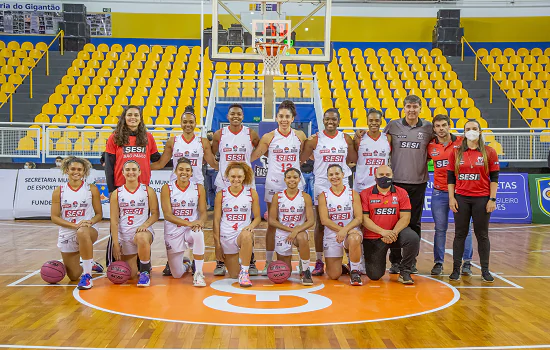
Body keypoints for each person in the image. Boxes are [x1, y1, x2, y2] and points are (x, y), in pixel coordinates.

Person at [251, 100, 307, 275]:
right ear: (276, 117)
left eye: (287, 117)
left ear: (292, 118)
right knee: (272, 225)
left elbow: (303, 155)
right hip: (275, 183)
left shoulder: (300, 136)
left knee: (300, 222)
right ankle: (268, 262)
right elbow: (254, 155)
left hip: (296, 183)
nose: (284, 119)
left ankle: (303, 264)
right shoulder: (269, 137)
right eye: (281, 116)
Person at [300, 108, 357, 276]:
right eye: (327, 119)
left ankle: (349, 261)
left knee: (347, 217)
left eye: (333, 119)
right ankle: (319, 260)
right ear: (323, 120)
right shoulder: (314, 140)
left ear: (339, 121)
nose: (330, 121)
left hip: (342, 181)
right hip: (323, 183)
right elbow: (301, 159)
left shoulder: (345, 138)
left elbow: (352, 159)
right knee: (321, 223)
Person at [104, 105, 161, 266]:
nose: (133, 118)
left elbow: (156, 158)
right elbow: (109, 165)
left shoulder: (148, 137)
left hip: (142, 190)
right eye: (129, 115)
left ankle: (144, 263)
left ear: (141, 118)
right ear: (124, 117)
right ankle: (112, 262)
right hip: (121, 188)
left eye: (136, 115)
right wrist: (111, 189)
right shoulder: (115, 137)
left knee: (142, 228)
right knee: (118, 227)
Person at [382, 95, 433, 274]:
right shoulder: (393, 125)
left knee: (414, 223)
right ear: (403, 108)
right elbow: (378, 140)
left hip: (418, 183)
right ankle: (395, 261)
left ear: (420, 108)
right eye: (408, 107)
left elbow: (442, 141)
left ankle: (411, 262)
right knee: (394, 223)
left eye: (415, 107)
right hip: (396, 183)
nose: (412, 110)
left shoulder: (428, 128)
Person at [211, 104, 260, 276]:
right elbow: (212, 153)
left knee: (247, 217)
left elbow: (259, 149)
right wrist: (220, 167)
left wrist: (246, 162)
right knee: (224, 216)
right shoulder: (219, 134)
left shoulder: (250, 134)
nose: (235, 116)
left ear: (243, 115)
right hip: (225, 180)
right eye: (232, 114)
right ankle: (220, 259)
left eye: (239, 114)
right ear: (228, 115)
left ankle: (250, 260)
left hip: (244, 179)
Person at [447, 120, 499, 283]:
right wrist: (451, 197)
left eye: (474, 129)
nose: (471, 131)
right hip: (461, 198)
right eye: (468, 129)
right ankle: (456, 269)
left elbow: (494, 178)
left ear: (480, 131)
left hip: (482, 199)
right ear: (464, 133)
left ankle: (485, 270)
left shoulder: (489, 152)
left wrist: (492, 198)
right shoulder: (455, 152)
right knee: (460, 234)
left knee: (482, 235)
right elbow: (450, 178)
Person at [428, 114, 474, 276]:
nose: (441, 128)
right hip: (439, 192)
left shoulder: (462, 142)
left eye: (444, 125)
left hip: (460, 192)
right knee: (440, 229)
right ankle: (438, 263)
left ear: (449, 126)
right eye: (438, 126)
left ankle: (466, 263)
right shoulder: (431, 146)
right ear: (434, 129)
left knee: (464, 229)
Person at [360, 165, 419, 284]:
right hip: (375, 236)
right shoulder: (366, 194)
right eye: (381, 175)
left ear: (392, 176)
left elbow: (405, 217)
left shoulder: (401, 192)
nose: (384, 177)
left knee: (413, 238)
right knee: (375, 275)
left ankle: (405, 271)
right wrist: (382, 232)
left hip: (396, 233)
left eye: (388, 175)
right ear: (375, 177)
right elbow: (364, 219)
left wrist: (394, 232)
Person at [50, 156, 103, 290]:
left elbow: (99, 214)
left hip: (88, 230)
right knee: (73, 276)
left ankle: (87, 276)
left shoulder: (91, 189)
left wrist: (89, 222)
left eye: (79, 169)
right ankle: (89, 263)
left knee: (82, 231)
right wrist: (74, 225)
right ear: (66, 170)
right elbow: (54, 217)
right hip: (67, 231)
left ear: (84, 171)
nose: (76, 171)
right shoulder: (59, 191)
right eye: (73, 168)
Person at [110, 160, 159, 287]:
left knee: (142, 237)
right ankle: (142, 264)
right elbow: (114, 220)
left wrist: (145, 225)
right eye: (127, 170)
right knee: (129, 274)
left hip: (142, 231)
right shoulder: (117, 193)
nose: (131, 172)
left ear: (139, 172)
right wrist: (116, 243)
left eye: (133, 170)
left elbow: (155, 214)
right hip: (124, 234)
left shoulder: (148, 191)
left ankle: (145, 271)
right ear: (123, 173)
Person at [160, 158, 207, 287]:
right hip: (173, 229)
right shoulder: (167, 188)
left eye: (187, 170)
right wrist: (189, 223)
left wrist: (200, 222)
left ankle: (198, 272)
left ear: (191, 173)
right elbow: (167, 215)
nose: (184, 172)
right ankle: (187, 264)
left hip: (190, 229)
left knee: (198, 234)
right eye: (181, 169)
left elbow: (203, 212)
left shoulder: (198, 188)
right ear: (175, 171)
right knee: (177, 274)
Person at [213, 162, 261, 287]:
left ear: (244, 177)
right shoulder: (221, 194)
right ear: (228, 177)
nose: (236, 179)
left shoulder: (251, 193)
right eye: (233, 176)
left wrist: (251, 226)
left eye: (239, 176)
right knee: (234, 274)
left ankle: (245, 272)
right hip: (226, 236)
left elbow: (257, 218)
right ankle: (242, 262)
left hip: (241, 233)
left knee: (246, 235)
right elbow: (216, 220)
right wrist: (217, 245)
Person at [317, 164, 363, 285]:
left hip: (350, 233)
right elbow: (324, 220)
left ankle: (355, 272)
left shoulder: (352, 194)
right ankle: (344, 263)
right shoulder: (323, 196)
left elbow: (358, 218)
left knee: (355, 238)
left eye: (337, 174)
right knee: (333, 275)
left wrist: (346, 231)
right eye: (331, 175)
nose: (334, 177)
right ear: (327, 177)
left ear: (343, 175)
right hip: (332, 235)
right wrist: (343, 230)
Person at [268, 167, 315, 285]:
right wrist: (291, 230)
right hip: (283, 232)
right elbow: (272, 220)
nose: (292, 180)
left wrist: (296, 230)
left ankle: (305, 269)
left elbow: (311, 221)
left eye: (295, 177)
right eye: (289, 177)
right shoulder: (277, 197)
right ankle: (299, 262)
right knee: (285, 273)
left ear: (300, 179)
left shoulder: (305, 197)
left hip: (299, 232)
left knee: (302, 237)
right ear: (284, 179)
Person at [151, 105, 218, 182]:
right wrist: (142, 167)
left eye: (191, 122)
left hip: (196, 185)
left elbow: (213, 164)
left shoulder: (203, 142)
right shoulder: (172, 141)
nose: (188, 125)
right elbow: (160, 164)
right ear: (181, 123)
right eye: (185, 122)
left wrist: (231, 166)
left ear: (195, 124)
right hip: (176, 185)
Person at [354, 108, 391, 194]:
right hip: (361, 186)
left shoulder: (388, 138)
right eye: (371, 120)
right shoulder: (359, 138)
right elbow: (353, 159)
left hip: (381, 185)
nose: (374, 123)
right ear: (367, 122)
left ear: (381, 122)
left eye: (377, 120)